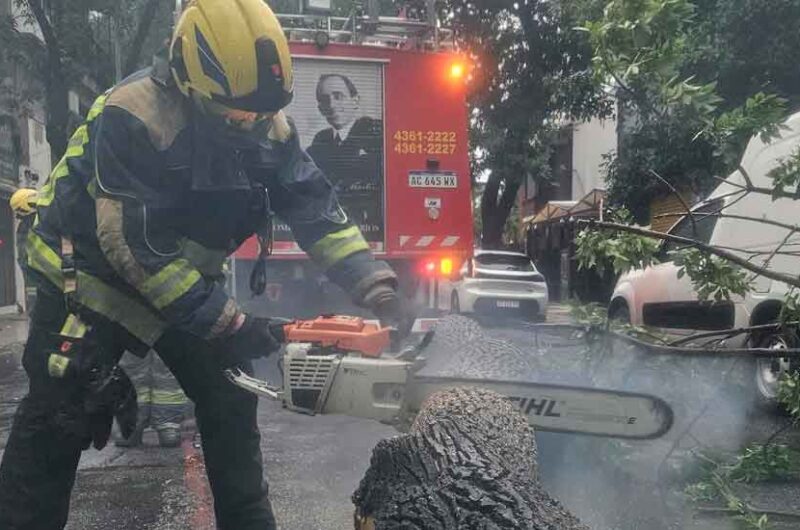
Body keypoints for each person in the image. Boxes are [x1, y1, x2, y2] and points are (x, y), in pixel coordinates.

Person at [0, 2, 411, 529]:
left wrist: (373, 284)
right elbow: (132, 246)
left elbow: (313, 207)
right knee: (57, 419)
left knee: (230, 397)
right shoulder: (135, 114)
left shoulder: (266, 125)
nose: (252, 124)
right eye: (238, 113)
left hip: (179, 285)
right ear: (188, 81)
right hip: (88, 284)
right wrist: (232, 323)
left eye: (261, 112)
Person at [9, 188, 38, 310]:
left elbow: (23, 258)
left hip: (37, 278)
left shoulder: (26, 225)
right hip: (41, 278)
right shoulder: (41, 220)